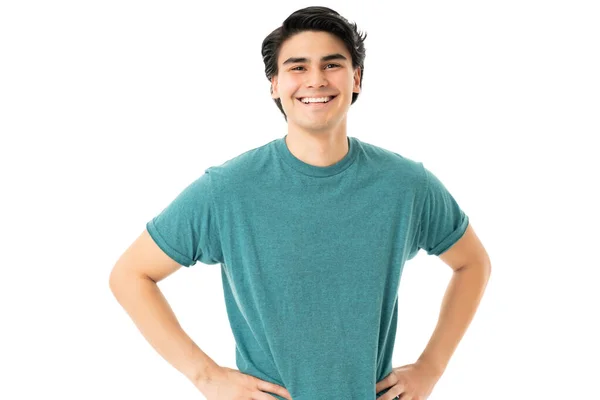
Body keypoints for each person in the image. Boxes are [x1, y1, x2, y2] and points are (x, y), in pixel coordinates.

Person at [109, 6, 491, 400]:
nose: (315, 80)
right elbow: (130, 275)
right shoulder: (227, 191)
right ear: (274, 84)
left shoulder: (406, 185)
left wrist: (431, 367)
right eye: (297, 67)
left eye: (331, 64)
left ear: (356, 78)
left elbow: (473, 262)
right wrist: (206, 376)